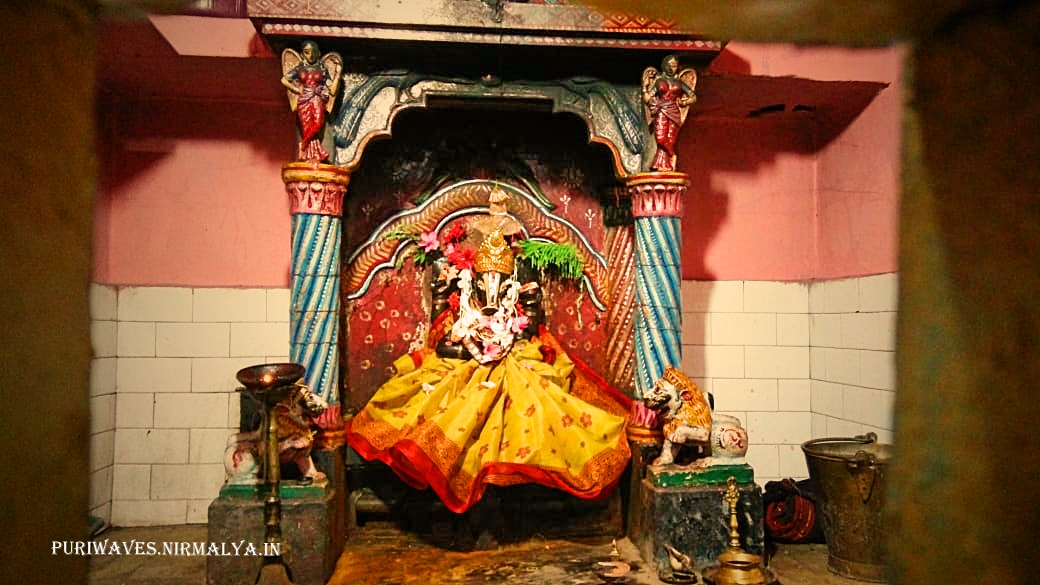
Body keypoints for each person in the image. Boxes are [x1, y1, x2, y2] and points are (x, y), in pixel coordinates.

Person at [345, 230, 632, 513]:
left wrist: (503, 338)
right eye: (485, 281)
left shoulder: (520, 288)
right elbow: (443, 343)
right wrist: (472, 345)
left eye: (500, 282)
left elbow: (528, 326)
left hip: (514, 353)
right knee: (441, 400)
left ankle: (509, 494)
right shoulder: (462, 297)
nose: (491, 290)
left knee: (534, 401)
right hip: (465, 359)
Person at [281, 40, 342, 163]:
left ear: (318, 53)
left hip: (318, 98)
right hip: (304, 99)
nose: (311, 55)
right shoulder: (299, 68)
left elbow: (332, 89)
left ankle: (303, 145)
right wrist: (296, 89)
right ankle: (312, 155)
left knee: (318, 123)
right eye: (307, 52)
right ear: (302, 54)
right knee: (307, 128)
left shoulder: (322, 68)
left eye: (313, 52)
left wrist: (338, 73)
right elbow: (284, 80)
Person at [642, 54, 697, 172]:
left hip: (674, 111)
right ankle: (672, 155)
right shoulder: (659, 81)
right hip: (661, 110)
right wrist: (645, 86)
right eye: (670, 65)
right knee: (660, 138)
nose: (672, 68)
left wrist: (685, 101)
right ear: (664, 65)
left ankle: (663, 164)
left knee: (670, 139)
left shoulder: (679, 82)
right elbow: (647, 99)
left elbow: (693, 96)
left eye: (674, 66)